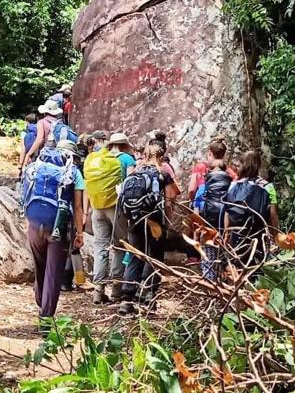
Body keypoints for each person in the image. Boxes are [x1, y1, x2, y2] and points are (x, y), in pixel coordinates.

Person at [22, 139, 85, 328]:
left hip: (35, 225)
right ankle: (46, 317)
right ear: (72, 156)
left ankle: (41, 302)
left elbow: (25, 195)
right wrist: (79, 233)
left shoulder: (36, 168)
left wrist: (30, 222)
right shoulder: (74, 173)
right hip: (58, 228)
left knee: (40, 267)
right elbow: (78, 206)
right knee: (53, 272)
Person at [118, 140, 180, 315]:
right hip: (154, 220)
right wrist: (167, 221)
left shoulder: (135, 172)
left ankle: (127, 299)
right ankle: (149, 295)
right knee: (155, 256)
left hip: (135, 219)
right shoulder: (162, 174)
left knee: (136, 256)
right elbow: (169, 200)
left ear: (145, 155)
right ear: (160, 157)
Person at [85, 132, 136, 304]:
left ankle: (98, 290)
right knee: (120, 246)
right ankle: (116, 289)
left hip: (97, 207)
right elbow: (130, 186)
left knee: (100, 245)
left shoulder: (98, 158)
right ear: (124, 145)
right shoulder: (127, 160)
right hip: (116, 208)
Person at [222, 149, 279, 277]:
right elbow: (273, 214)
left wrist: (226, 234)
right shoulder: (268, 187)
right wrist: (276, 234)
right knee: (256, 267)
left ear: (242, 165)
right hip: (258, 234)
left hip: (237, 234)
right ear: (258, 165)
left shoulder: (233, 185)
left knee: (238, 266)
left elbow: (227, 211)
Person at [21, 103, 69, 169]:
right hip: (58, 154)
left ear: (45, 112)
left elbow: (39, 140)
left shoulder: (42, 122)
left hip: (46, 153)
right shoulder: (60, 122)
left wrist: (28, 154)